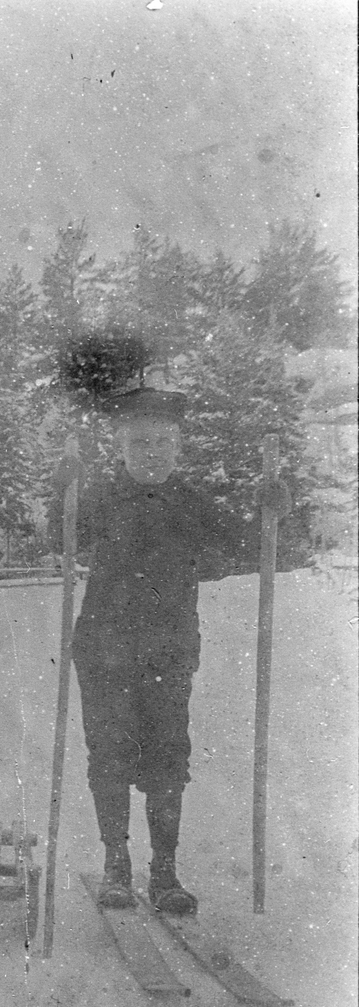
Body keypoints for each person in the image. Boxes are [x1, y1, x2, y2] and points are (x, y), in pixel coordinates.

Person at [52, 385, 291, 914]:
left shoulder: (191, 501)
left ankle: (165, 870)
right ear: (121, 447)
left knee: (166, 756)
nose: (152, 453)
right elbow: (59, 537)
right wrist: (63, 493)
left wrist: (272, 510)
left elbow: (250, 546)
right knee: (110, 753)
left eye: (163, 443)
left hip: (169, 649)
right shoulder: (101, 498)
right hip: (105, 649)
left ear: (178, 448)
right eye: (140, 442)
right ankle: (117, 863)